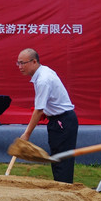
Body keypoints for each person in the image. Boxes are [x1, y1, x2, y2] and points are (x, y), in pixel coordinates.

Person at [17, 48, 78, 183]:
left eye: (23, 63)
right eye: (18, 63)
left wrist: (26, 134)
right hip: (58, 120)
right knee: (58, 158)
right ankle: (62, 188)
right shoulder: (43, 73)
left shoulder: (43, 79)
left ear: (34, 62)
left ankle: (64, 192)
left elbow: (38, 110)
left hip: (62, 121)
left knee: (62, 161)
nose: (20, 67)